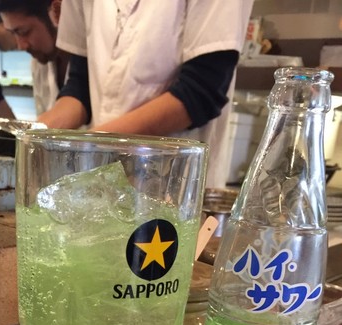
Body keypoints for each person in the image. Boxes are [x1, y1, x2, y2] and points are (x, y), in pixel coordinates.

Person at [38, 0, 254, 187]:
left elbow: (201, 91)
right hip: (98, 176)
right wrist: (33, 136)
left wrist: (89, 147)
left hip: (172, 183)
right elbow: (80, 86)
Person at [0, 0, 67, 115]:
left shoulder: (93, 62)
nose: (21, 46)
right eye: (13, 33)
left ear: (58, 12)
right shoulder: (38, 65)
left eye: (24, 32)